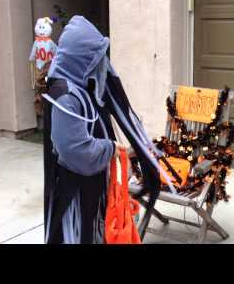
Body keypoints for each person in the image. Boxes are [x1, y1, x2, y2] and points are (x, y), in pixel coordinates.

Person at [42, 15, 162, 244]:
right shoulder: (66, 96)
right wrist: (112, 148)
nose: (101, 65)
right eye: (94, 58)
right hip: (76, 196)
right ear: (80, 59)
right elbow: (75, 150)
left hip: (92, 189)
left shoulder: (80, 87)